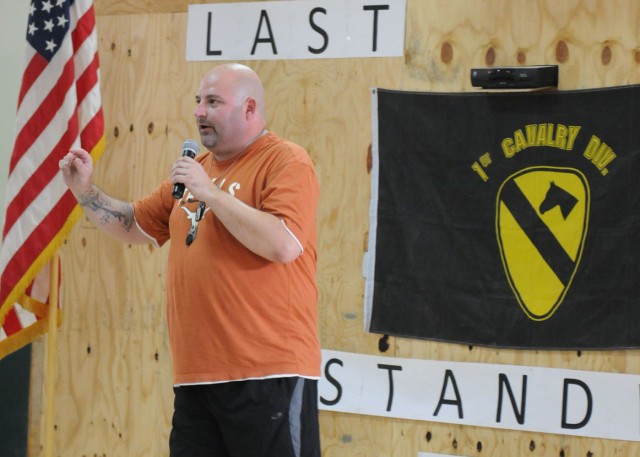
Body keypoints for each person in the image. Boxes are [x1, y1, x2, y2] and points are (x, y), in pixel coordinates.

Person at [59, 63, 322, 457]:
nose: (199, 111)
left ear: (249, 109)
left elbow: (283, 244)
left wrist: (211, 193)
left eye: (212, 101)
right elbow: (132, 224)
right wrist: (85, 192)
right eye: (198, 101)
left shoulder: (285, 161)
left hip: (269, 374)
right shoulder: (195, 172)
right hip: (197, 378)